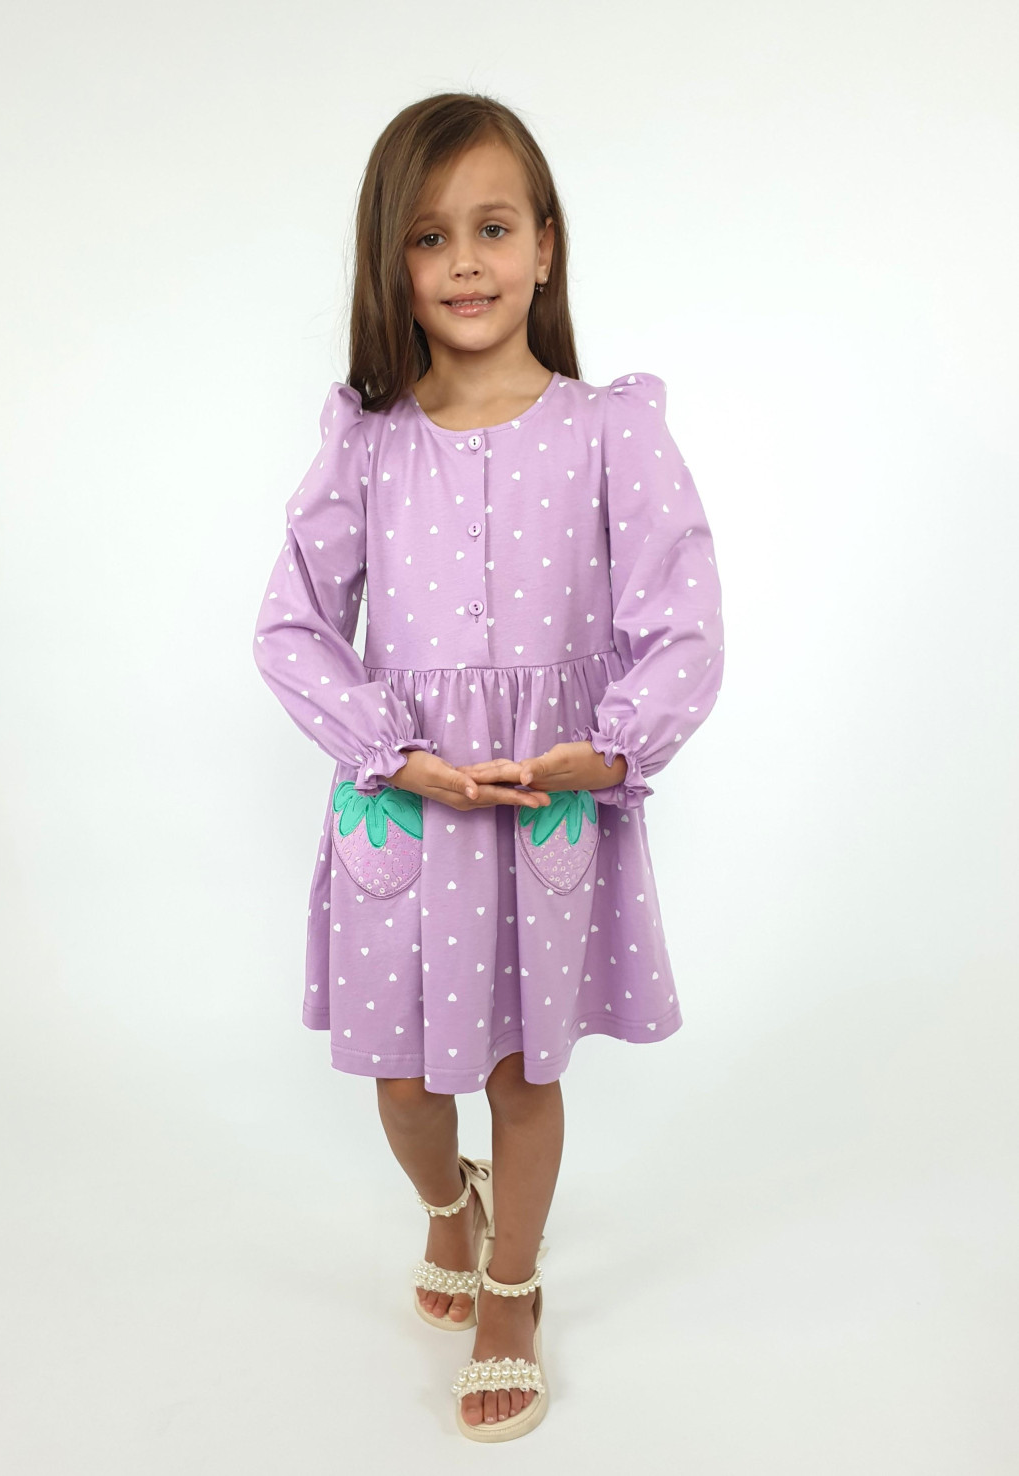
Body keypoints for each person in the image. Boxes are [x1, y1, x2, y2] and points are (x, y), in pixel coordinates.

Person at [252, 92, 725, 1441]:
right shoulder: (368, 442)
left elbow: (684, 620)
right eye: (429, 237)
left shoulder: (610, 431)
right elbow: (290, 625)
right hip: (403, 815)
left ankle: (511, 1288)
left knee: (523, 1072)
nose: (464, 263)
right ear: (392, 264)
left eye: (493, 228)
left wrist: (610, 747)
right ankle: (445, 1203)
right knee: (406, 1088)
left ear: (545, 245)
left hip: (541, 809)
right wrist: (387, 749)